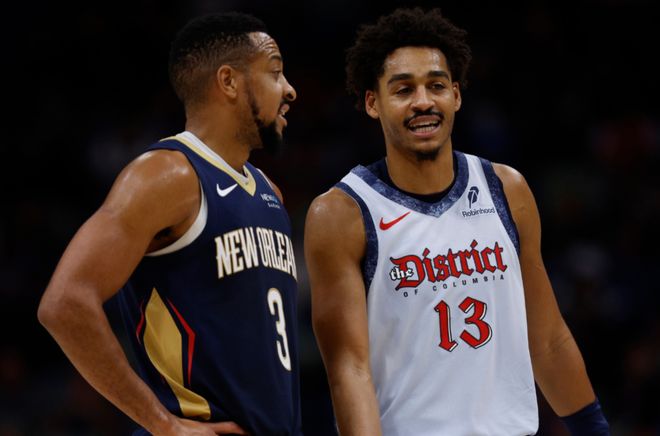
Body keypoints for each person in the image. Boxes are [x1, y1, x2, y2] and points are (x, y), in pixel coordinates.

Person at [305, 7, 609, 436]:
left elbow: (546, 340)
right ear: (372, 103)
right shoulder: (343, 214)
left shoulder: (507, 188)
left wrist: (595, 430)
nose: (423, 102)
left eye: (436, 86)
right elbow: (349, 369)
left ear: (456, 95)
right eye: (403, 89)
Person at [38, 12, 302, 436]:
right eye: (274, 73)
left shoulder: (271, 192)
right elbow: (64, 302)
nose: (289, 89)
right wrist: (163, 424)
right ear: (228, 82)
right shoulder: (168, 174)